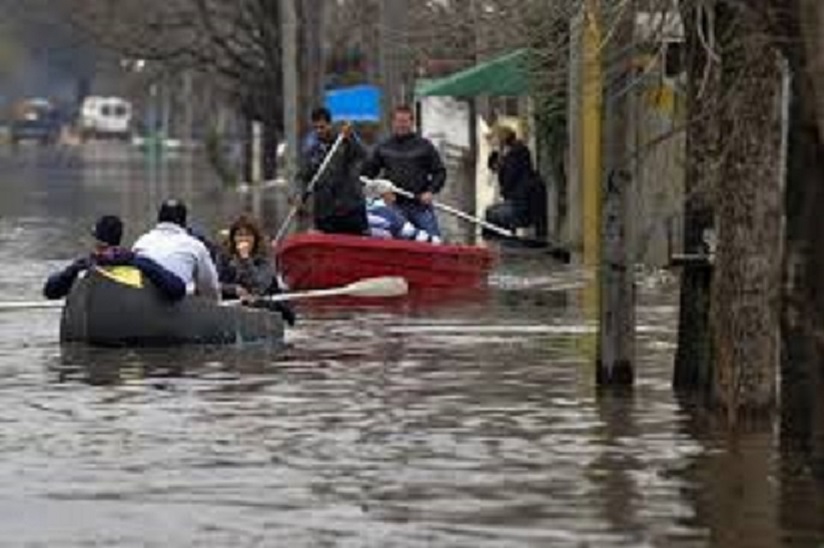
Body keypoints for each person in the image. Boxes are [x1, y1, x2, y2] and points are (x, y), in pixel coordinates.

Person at [43, 215, 186, 301]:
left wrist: (73, 270)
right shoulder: (138, 262)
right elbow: (178, 289)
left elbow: (50, 291)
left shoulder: (85, 266)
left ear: (97, 240)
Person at [362, 105, 446, 237]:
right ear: (393, 123)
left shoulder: (425, 146)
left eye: (405, 121)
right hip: (394, 207)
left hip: (420, 205)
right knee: (397, 242)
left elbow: (439, 172)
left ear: (412, 123)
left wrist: (430, 191)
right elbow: (368, 174)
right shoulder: (383, 147)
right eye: (398, 121)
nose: (401, 125)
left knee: (434, 241)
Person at [297, 107, 368, 235]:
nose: (319, 131)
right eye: (316, 128)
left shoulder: (343, 141)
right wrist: (298, 196)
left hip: (350, 207)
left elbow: (362, 154)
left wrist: (350, 137)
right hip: (324, 211)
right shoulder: (311, 150)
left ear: (329, 124)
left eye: (322, 127)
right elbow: (304, 175)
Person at [132, 199, 221, 300]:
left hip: (142, 306)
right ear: (184, 221)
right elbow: (210, 289)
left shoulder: (141, 242)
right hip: (182, 308)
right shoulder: (195, 245)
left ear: (159, 219)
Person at [217, 214, 296, 325]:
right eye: (239, 235)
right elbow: (215, 283)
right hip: (234, 302)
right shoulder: (225, 255)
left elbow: (259, 285)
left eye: (248, 235)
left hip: (262, 302)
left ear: (255, 238)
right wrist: (233, 289)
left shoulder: (265, 256)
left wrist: (245, 260)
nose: (243, 239)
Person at [484, 126, 548, 238]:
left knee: (490, 214)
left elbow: (507, 189)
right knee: (493, 212)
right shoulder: (519, 154)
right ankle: (504, 241)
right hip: (525, 204)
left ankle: (497, 245)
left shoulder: (512, 158)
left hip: (522, 207)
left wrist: (501, 166)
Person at [365, 179, 441, 244]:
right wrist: (433, 239)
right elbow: (409, 231)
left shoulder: (362, 210)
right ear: (384, 195)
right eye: (392, 194)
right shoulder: (388, 213)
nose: (394, 199)